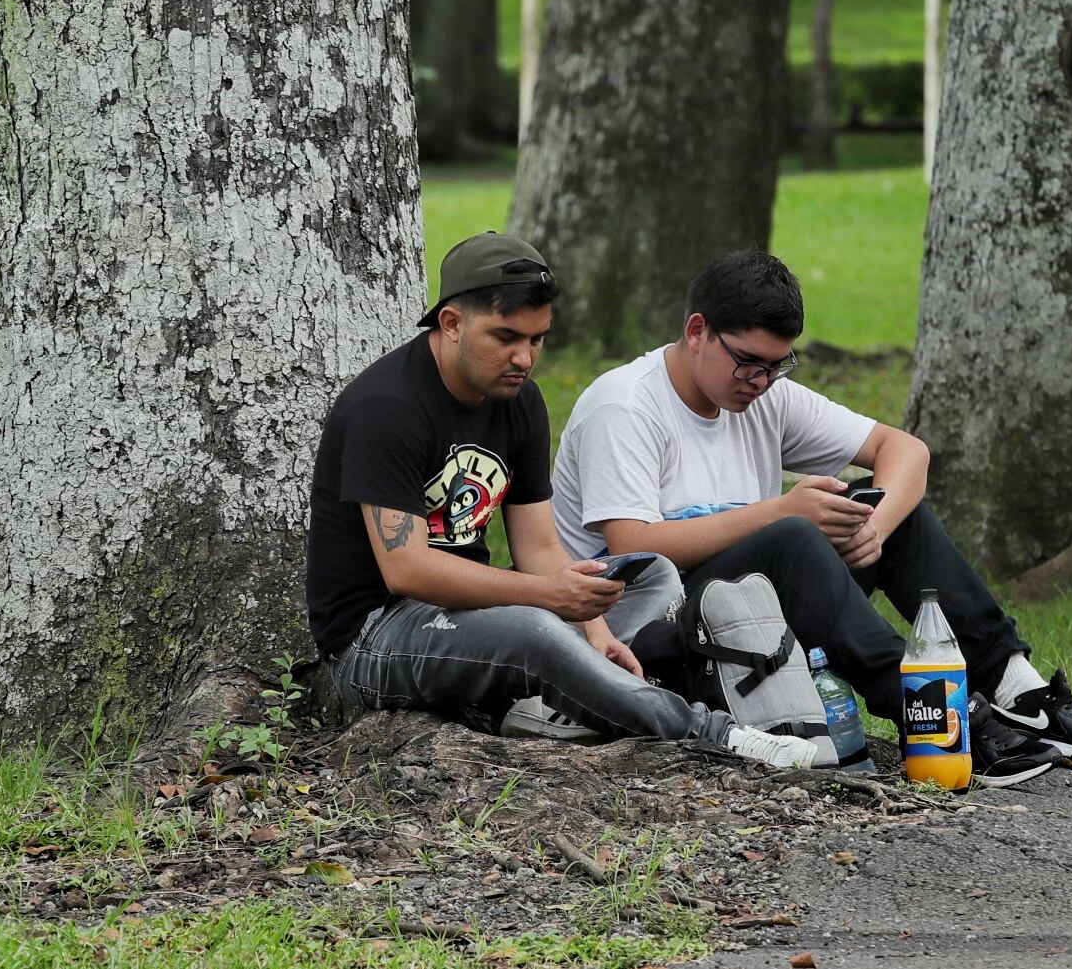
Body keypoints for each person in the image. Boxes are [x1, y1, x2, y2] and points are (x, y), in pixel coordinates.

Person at [551, 249, 1072, 788]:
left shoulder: (765, 396)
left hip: (754, 626)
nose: (761, 382)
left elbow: (906, 451)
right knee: (793, 531)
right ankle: (929, 716)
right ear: (697, 331)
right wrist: (780, 512)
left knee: (879, 507)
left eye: (778, 366)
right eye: (749, 363)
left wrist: (871, 530)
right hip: (652, 646)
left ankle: (1014, 687)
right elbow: (633, 546)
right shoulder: (624, 406)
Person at [305, 232, 816, 769]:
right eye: (505, 337)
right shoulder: (388, 406)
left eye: (538, 339)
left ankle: (555, 703)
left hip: (468, 613)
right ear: (451, 323)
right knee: (535, 629)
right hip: (374, 639)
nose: (524, 357)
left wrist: (592, 627)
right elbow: (405, 569)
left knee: (651, 574)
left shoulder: (519, 400)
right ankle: (712, 733)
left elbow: (540, 546)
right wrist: (547, 599)